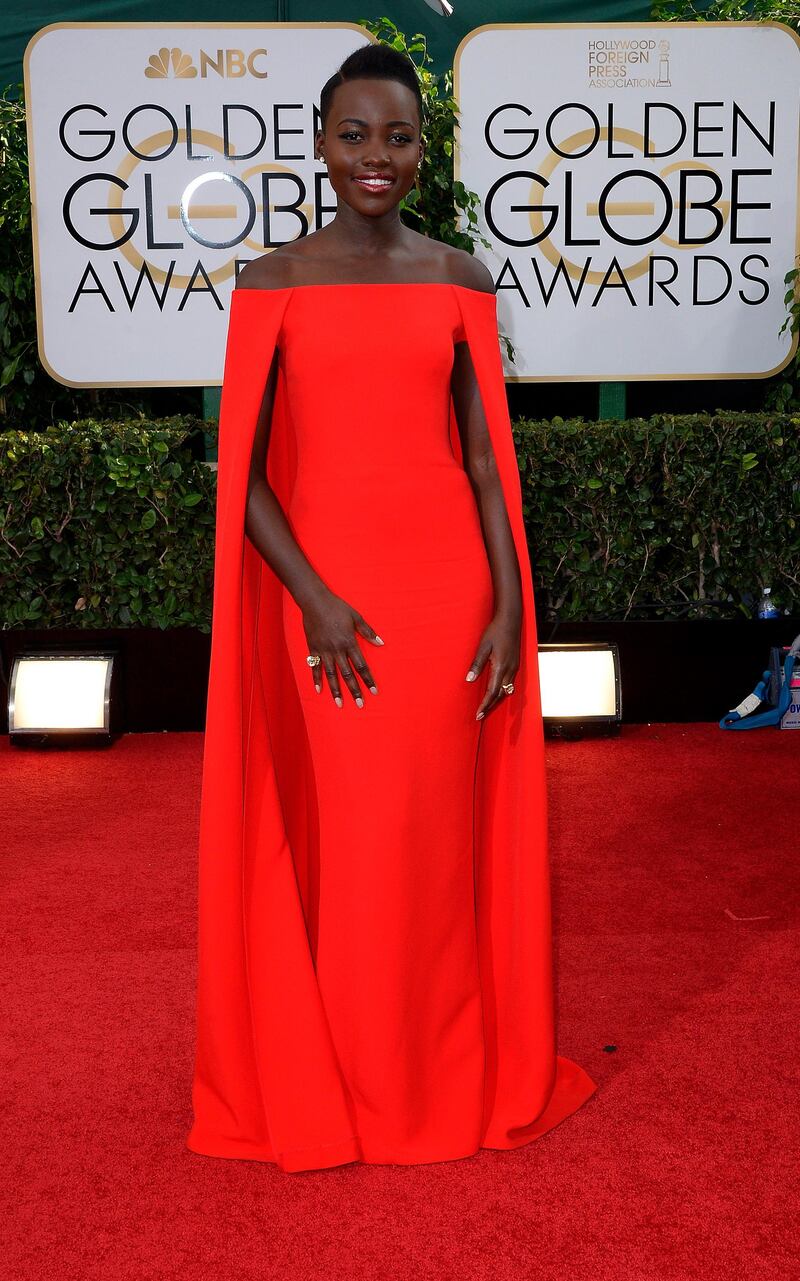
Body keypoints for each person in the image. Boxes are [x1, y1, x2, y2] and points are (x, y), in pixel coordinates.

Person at [186, 42, 597, 1173]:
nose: (378, 156)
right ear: (320, 145)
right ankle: (351, 1080)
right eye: (355, 135)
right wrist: (313, 597)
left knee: (434, 842)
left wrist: (512, 603)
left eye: (398, 137)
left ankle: (436, 1074)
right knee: (356, 840)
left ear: (424, 152)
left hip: (447, 591)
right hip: (329, 601)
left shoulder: (459, 278)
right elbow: (244, 477)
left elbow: (480, 457)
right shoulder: (270, 283)